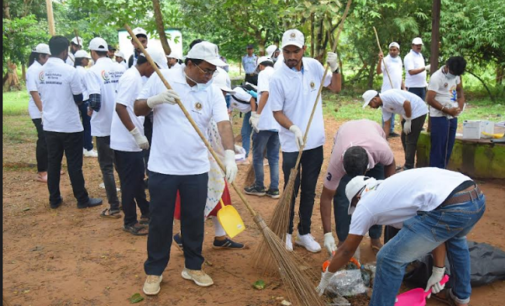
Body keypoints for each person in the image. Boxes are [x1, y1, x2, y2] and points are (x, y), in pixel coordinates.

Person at [135, 41, 237, 295]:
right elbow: (136, 106)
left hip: (196, 167)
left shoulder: (211, 89)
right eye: (205, 70)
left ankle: (193, 266)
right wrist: (155, 100)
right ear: (189, 64)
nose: (210, 75)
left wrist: (230, 154)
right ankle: (154, 271)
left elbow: (223, 123)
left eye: (213, 70)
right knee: (160, 221)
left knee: (194, 220)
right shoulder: (163, 78)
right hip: (163, 167)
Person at [317, 167, 485, 306]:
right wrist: (438, 269)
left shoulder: (365, 203)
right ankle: (461, 296)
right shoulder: (392, 188)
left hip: (451, 207)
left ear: (357, 198)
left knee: (388, 258)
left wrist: (326, 278)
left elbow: (347, 250)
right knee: (455, 239)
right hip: (475, 198)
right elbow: (436, 227)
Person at [269, 29, 341, 252]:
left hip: (315, 142)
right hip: (292, 144)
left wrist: (336, 68)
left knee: (309, 189)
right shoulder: (277, 76)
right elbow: (277, 111)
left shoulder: (315, 66)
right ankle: (287, 232)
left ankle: (304, 232)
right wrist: (293, 127)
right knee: (292, 188)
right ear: (282, 51)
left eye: (295, 51)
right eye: (287, 51)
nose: (291, 56)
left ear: (304, 49)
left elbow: (336, 87)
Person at [174, 71, 244, 249]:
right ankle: (183, 237)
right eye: (223, 92)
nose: (225, 96)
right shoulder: (207, 112)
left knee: (219, 200)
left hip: (213, 166)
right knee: (196, 202)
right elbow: (216, 139)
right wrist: (228, 154)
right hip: (201, 166)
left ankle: (220, 238)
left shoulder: (215, 111)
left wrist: (231, 151)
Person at [37, 35, 102, 209]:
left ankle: (54, 199)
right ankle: (81, 199)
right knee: (74, 164)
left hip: (50, 124)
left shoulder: (41, 72)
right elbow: (79, 98)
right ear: (65, 51)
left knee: (53, 162)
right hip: (69, 125)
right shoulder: (69, 71)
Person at [319, 119, 396, 256]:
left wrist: (387, 188)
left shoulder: (381, 150)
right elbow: (326, 197)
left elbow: (390, 164)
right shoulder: (337, 162)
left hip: (372, 137)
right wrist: (327, 234)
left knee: (377, 195)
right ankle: (343, 240)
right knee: (342, 198)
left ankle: (375, 237)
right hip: (346, 134)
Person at [109, 49, 166, 233]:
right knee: (129, 183)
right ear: (148, 63)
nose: (156, 73)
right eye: (155, 69)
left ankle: (145, 210)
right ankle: (130, 222)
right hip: (125, 141)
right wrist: (135, 133)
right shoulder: (132, 78)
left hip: (130, 141)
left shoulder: (137, 77)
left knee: (137, 179)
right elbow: (120, 106)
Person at [84, 37, 125, 217]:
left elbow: (95, 100)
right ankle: (127, 200)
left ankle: (114, 206)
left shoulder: (92, 71)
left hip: (104, 126)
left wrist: (90, 109)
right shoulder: (120, 68)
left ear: (93, 53)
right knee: (122, 165)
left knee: (107, 167)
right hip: (122, 123)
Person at [362, 89, 428, 170]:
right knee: (404, 137)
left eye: (369, 104)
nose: (370, 107)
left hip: (418, 110)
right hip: (408, 113)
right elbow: (387, 124)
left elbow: (407, 103)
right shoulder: (384, 107)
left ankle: (409, 166)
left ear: (375, 99)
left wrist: (408, 120)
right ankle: (408, 162)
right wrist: (384, 140)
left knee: (410, 139)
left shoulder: (389, 95)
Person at [246, 56, 280, 198]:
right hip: (278, 122)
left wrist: (257, 114)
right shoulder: (278, 73)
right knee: (274, 157)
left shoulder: (264, 74)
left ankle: (259, 186)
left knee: (258, 156)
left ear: (260, 66)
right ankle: (274, 188)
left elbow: (265, 93)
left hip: (265, 123)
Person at [427, 56, 467, 169]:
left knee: (448, 147)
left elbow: (459, 91)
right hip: (439, 116)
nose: (454, 76)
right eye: (453, 73)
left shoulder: (457, 75)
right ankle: (434, 171)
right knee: (438, 148)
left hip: (452, 115)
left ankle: (443, 170)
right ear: (447, 66)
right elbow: (429, 99)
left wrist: (460, 104)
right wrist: (447, 110)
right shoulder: (436, 78)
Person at [26, 43, 51, 182]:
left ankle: (50, 168)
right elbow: (34, 93)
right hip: (38, 111)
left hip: (46, 110)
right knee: (43, 140)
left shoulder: (42, 68)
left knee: (49, 139)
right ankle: (42, 171)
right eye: (47, 56)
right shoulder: (32, 70)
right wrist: (43, 111)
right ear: (41, 56)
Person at [377, 42, 405, 137]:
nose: (392, 51)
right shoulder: (385, 60)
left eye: (394, 50)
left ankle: (391, 130)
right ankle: (384, 130)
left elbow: (400, 76)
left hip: (396, 89)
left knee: (394, 109)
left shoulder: (399, 60)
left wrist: (403, 87)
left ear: (398, 51)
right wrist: (380, 60)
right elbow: (378, 72)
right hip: (386, 90)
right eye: (391, 50)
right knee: (386, 109)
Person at [74, 50, 98, 158]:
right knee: (88, 125)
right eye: (86, 59)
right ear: (81, 60)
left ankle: (84, 146)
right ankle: (88, 147)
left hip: (79, 101)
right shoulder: (84, 72)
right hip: (85, 100)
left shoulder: (74, 71)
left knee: (83, 125)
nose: (88, 61)